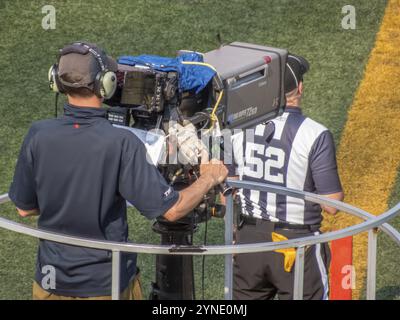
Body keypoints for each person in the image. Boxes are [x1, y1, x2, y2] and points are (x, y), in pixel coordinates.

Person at [8, 42, 228, 300]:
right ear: (106, 84)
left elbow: (25, 208)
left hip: (49, 285)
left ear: (56, 80)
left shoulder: (38, 134)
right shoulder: (121, 143)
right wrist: (210, 176)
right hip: (105, 287)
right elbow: (173, 210)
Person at [229, 53, 344, 300]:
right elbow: (331, 203)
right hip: (296, 243)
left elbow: (228, 187)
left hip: (249, 241)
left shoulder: (239, 126)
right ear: (299, 88)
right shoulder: (315, 133)